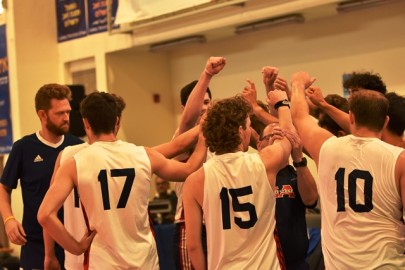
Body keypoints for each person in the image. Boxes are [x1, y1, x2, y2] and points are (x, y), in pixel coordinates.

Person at [38, 91, 207, 269]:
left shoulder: (74, 163)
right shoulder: (142, 154)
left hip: (103, 262)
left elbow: (45, 214)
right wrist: (203, 137)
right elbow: (188, 169)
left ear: (86, 123)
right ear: (117, 121)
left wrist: (76, 247)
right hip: (143, 261)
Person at [290, 71, 405, 269]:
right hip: (387, 263)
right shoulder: (399, 159)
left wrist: (298, 84)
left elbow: (299, 117)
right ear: (385, 122)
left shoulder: (327, 147)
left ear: (351, 117)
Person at [184, 91, 295, 270]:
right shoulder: (263, 162)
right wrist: (282, 103)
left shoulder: (194, 181)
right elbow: (288, 136)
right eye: (249, 126)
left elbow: (193, 246)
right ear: (240, 130)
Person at [0, 84, 83, 269]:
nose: (66, 118)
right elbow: (3, 188)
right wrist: (9, 220)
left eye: (68, 112)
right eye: (60, 113)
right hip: (35, 246)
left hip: (71, 242)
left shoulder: (77, 146)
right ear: (42, 114)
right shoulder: (23, 148)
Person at [173, 56, 226, 270]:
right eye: (198, 103)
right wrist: (207, 75)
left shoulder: (220, 136)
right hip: (190, 224)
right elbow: (187, 120)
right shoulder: (183, 136)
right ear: (185, 107)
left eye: (207, 102)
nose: (203, 108)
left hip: (217, 222)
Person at [258, 123, 318, 270]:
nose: (279, 142)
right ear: (259, 145)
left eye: (282, 138)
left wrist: (299, 159)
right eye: (272, 136)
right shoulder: (253, 175)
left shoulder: (297, 174)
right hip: (263, 262)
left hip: (296, 263)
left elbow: (311, 200)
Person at [305, 71, 387, 134]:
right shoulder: (347, 111)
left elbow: (355, 126)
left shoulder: (382, 117)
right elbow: (313, 110)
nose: (350, 97)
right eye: (350, 92)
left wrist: (322, 103)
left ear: (373, 94)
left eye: (355, 92)